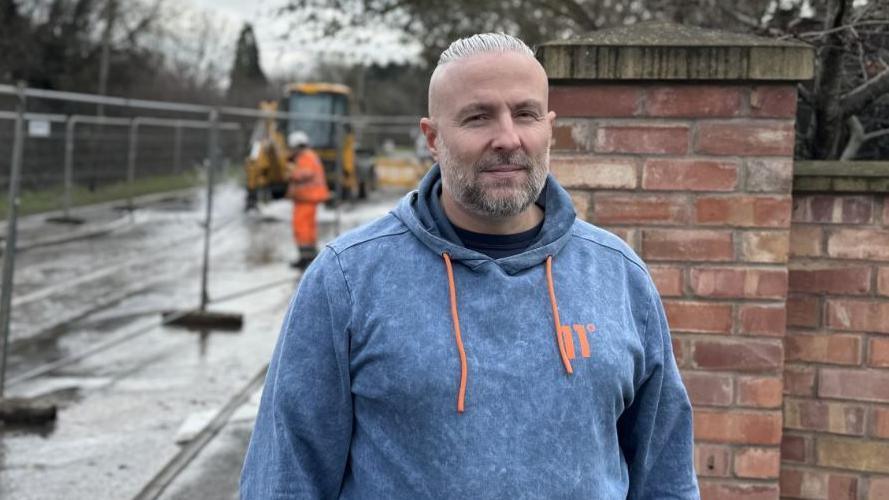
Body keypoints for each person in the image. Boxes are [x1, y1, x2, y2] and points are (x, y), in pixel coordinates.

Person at [241, 33, 699, 499]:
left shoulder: (618, 276)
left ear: (550, 128)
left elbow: (666, 475)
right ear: (433, 139)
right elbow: (284, 479)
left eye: (525, 114)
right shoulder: (348, 281)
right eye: (478, 117)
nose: (507, 138)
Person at [286, 130, 329, 269]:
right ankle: (310, 255)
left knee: (301, 226)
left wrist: (291, 173)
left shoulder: (306, 157)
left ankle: (305, 257)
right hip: (308, 198)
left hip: (306, 198)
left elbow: (305, 173)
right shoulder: (309, 156)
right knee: (308, 227)